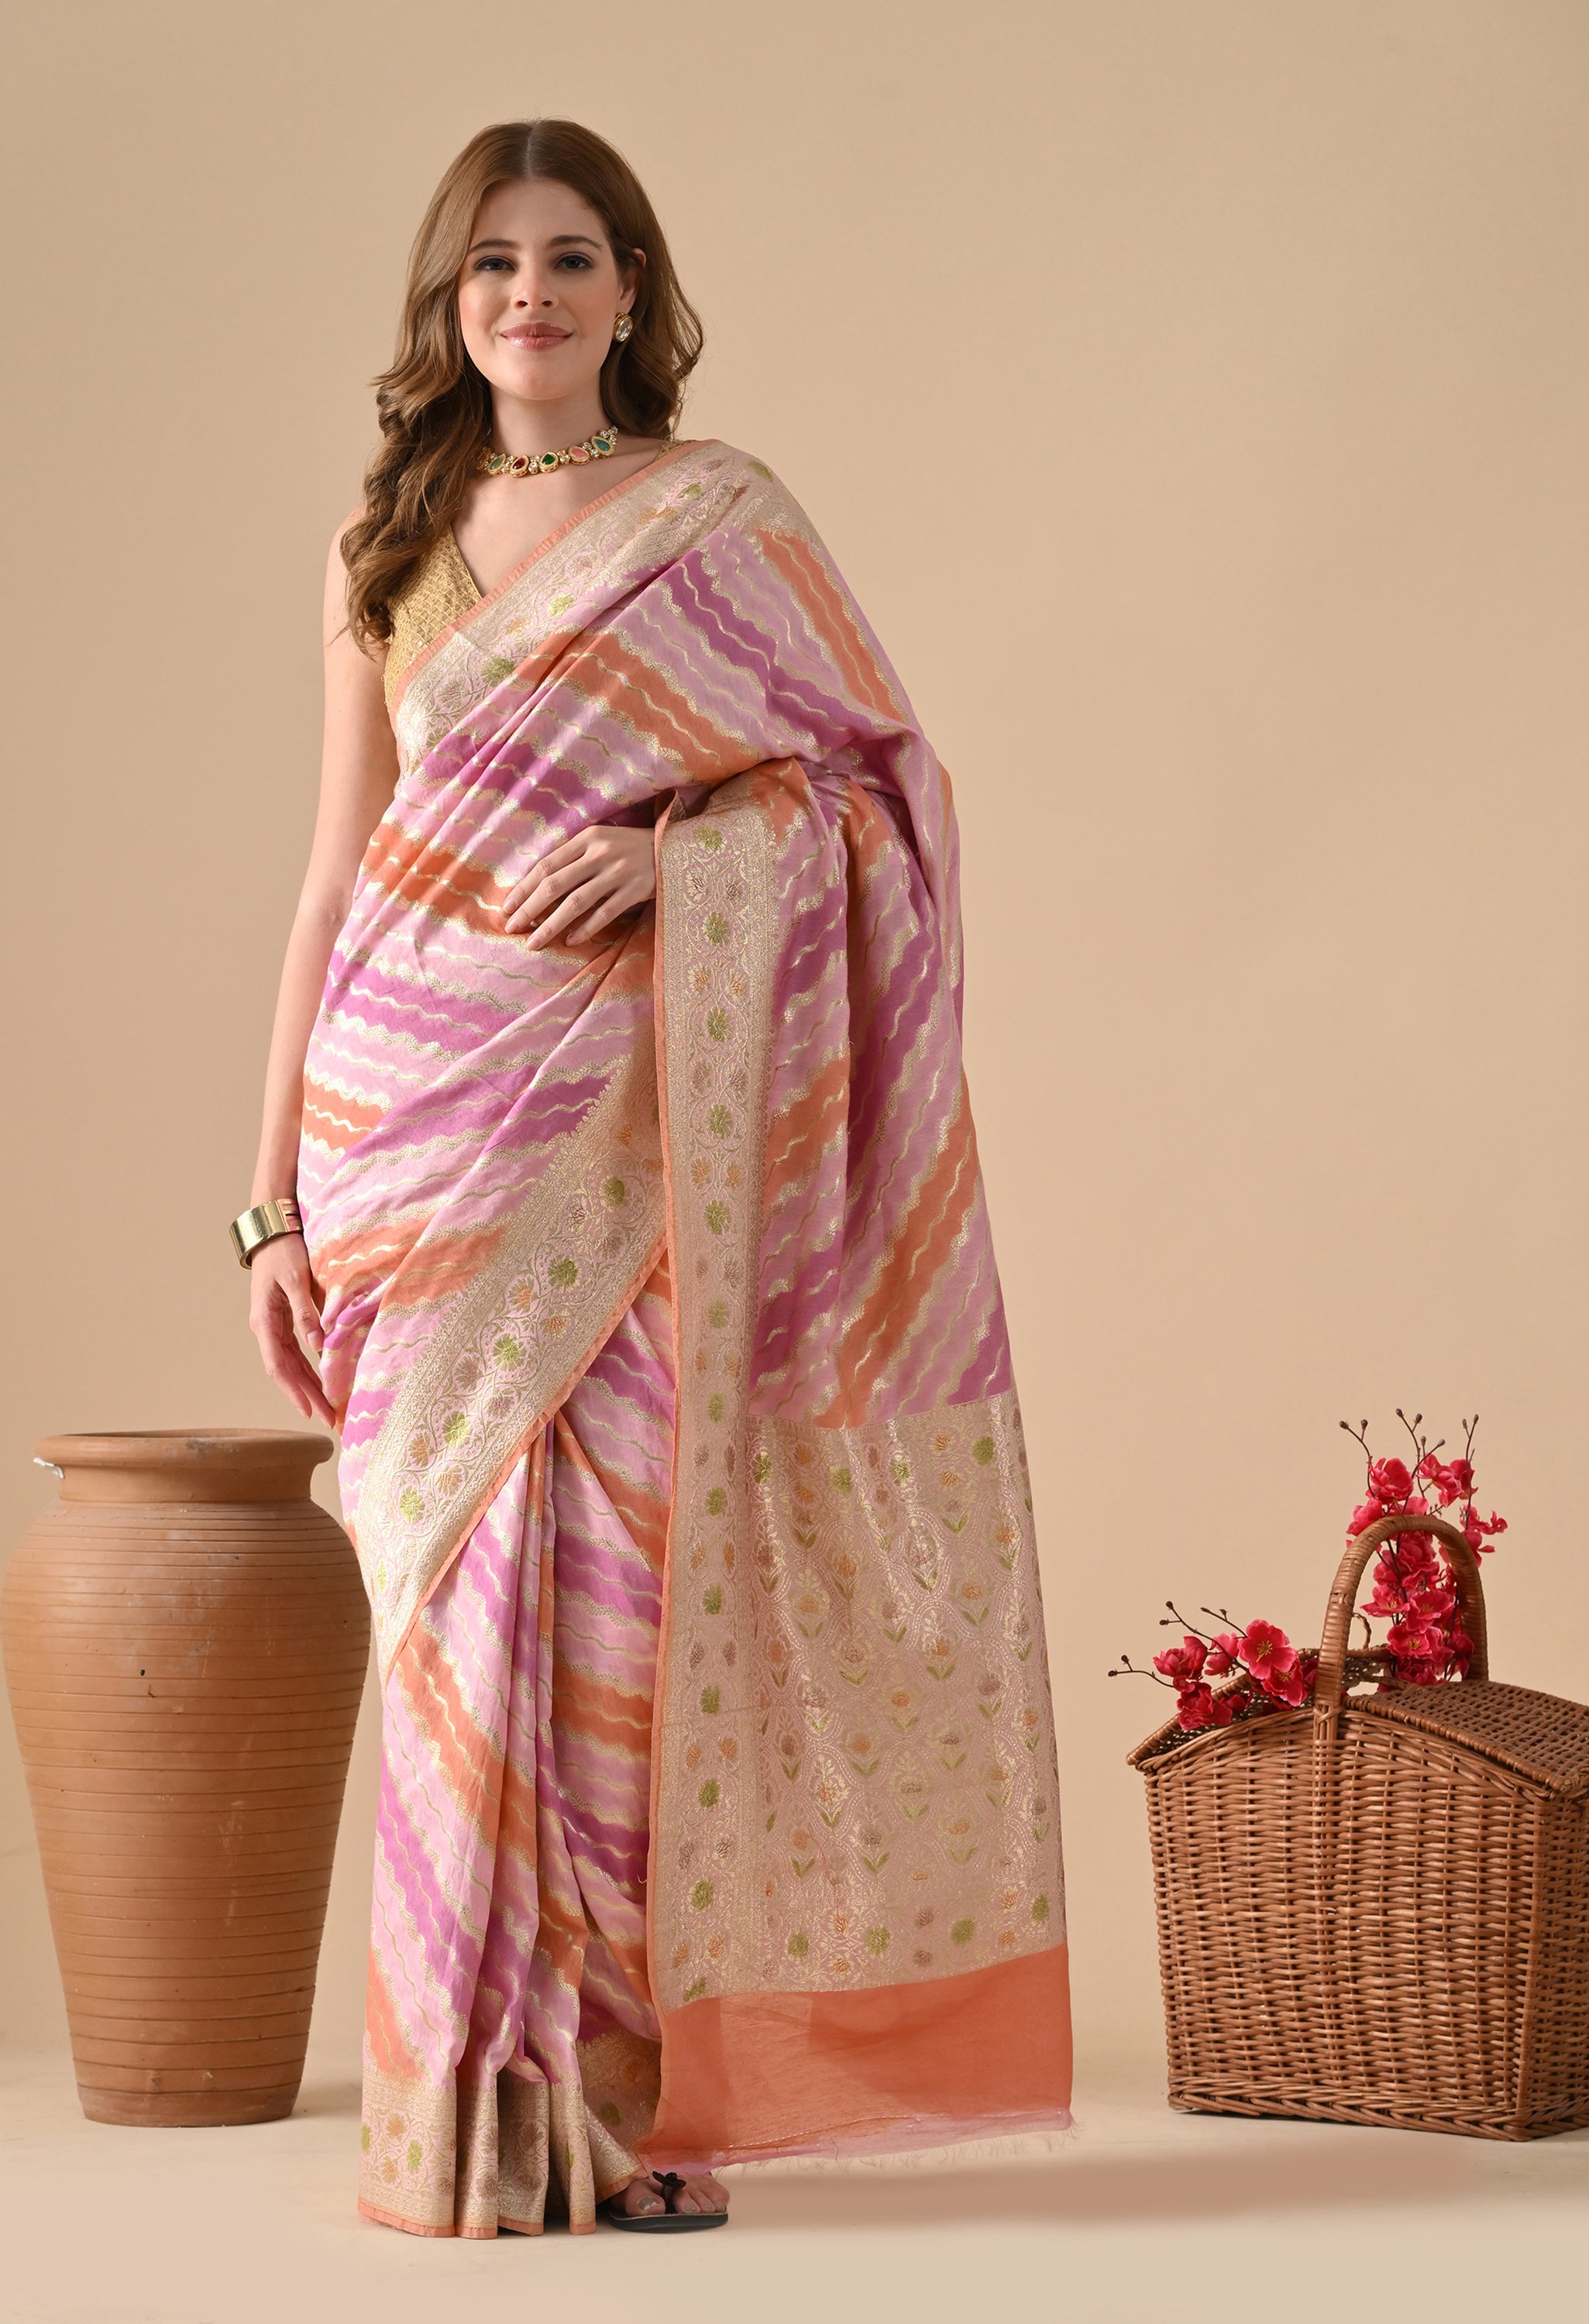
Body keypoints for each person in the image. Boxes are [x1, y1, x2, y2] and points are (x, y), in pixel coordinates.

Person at [238, 116, 1070, 2242]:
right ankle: (461, 2116)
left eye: (573, 255)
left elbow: (879, 801)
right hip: (404, 1131)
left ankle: (602, 2100)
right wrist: (271, 1198)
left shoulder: (717, 521)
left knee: (608, 1609)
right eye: (493, 259)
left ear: (633, 291)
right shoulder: (378, 544)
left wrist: (693, 853)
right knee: (443, 1620)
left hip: (619, 1134)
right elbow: (334, 878)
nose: (530, 291)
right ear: (449, 301)